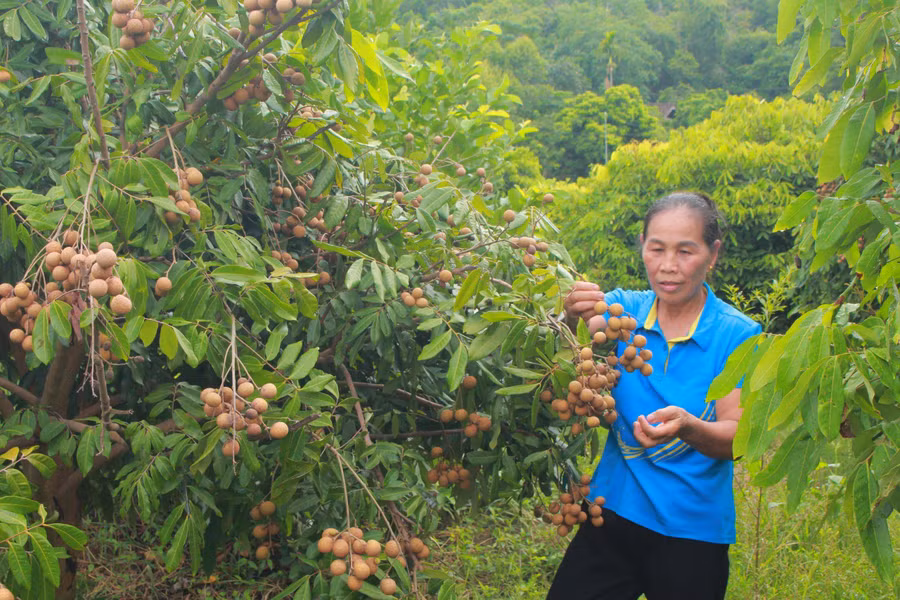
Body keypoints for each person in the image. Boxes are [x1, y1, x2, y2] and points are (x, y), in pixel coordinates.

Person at [547, 191, 762, 600]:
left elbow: (739, 439)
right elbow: (561, 348)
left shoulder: (737, 335)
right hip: (611, 515)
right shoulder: (622, 313)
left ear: (712, 254)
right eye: (656, 248)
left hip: (693, 532)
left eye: (686, 251)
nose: (668, 266)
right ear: (642, 247)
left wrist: (688, 427)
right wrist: (569, 314)